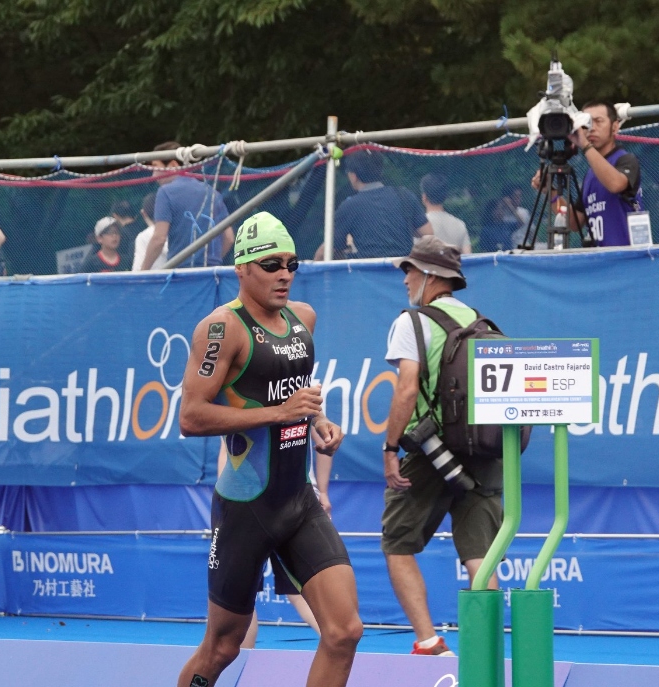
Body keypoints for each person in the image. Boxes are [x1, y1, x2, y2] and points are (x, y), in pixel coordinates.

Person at [177, 211, 362, 687]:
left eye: (291, 264)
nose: (284, 274)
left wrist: (318, 420)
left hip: (297, 502)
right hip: (246, 508)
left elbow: (291, 392)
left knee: (344, 631)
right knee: (223, 647)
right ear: (242, 268)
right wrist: (280, 413)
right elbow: (191, 417)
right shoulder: (221, 329)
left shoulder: (303, 319)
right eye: (271, 264)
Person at [380, 236, 501, 656]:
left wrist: (390, 448)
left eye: (410, 270)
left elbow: (406, 389)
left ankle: (429, 643)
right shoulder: (483, 323)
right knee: (481, 554)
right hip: (484, 451)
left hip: (429, 452)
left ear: (430, 275)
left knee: (397, 543)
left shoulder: (412, 323)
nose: (405, 280)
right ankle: (484, 653)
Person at [216, 440, 328, 647]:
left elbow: (324, 440)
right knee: (245, 598)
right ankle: (241, 661)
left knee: (242, 598)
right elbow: (227, 452)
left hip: (287, 503)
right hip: (256, 504)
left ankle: (337, 644)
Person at [532, 100, 643, 246]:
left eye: (598, 121)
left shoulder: (625, 159)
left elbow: (616, 184)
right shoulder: (591, 174)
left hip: (626, 255)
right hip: (599, 257)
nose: (592, 128)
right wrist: (551, 192)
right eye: (587, 123)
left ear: (615, 127)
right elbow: (573, 222)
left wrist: (585, 145)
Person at [313, 148, 429, 260]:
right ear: (380, 170)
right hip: (405, 269)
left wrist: (314, 265)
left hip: (369, 271)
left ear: (353, 176)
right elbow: (428, 234)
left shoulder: (349, 206)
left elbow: (326, 251)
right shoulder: (404, 195)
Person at [139, 141, 234, 270]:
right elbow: (229, 238)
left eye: (156, 167)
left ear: (173, 165)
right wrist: (212, 262)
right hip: (211, 273)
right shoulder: (212, 193)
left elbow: (159, 239)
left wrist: (142, 271)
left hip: (181, 273)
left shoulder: (165, 192)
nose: (154, 175)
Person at [420, 173, 471, 253]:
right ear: (445, 196)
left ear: (424, 197)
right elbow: (468, 256)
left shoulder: (418, 227)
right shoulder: (459, 225)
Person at [483, 184, 530, 251]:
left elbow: (521, 223)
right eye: (498, 210)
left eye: (502, 209)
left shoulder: (506, 226)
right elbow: (484, 249)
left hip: (509, 253)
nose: (501, 212)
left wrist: (511, 207)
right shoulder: (487, 230)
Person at [133, 193, 168, 271]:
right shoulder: (178, 231)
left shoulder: (143, 237)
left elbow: (137, 269)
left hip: (155, 277)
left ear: (143, 213)